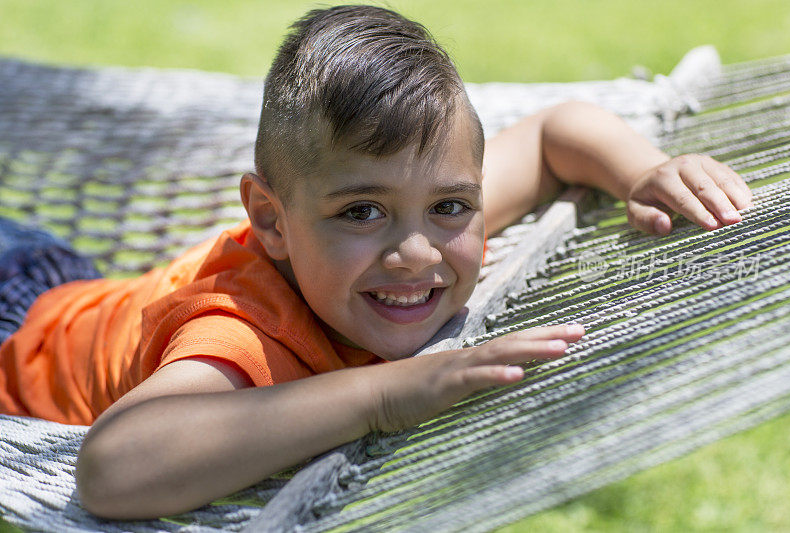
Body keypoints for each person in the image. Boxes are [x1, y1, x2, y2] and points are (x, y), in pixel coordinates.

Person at [0, 4, 751, 520]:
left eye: (452, 207)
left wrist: (642, 170)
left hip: (73, 285)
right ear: (271, 219)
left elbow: (559, 129)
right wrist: (382, 394)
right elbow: (112, 467)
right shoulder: (239, 340)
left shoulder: (432, 217)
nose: (417, 252)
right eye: (361, 212)